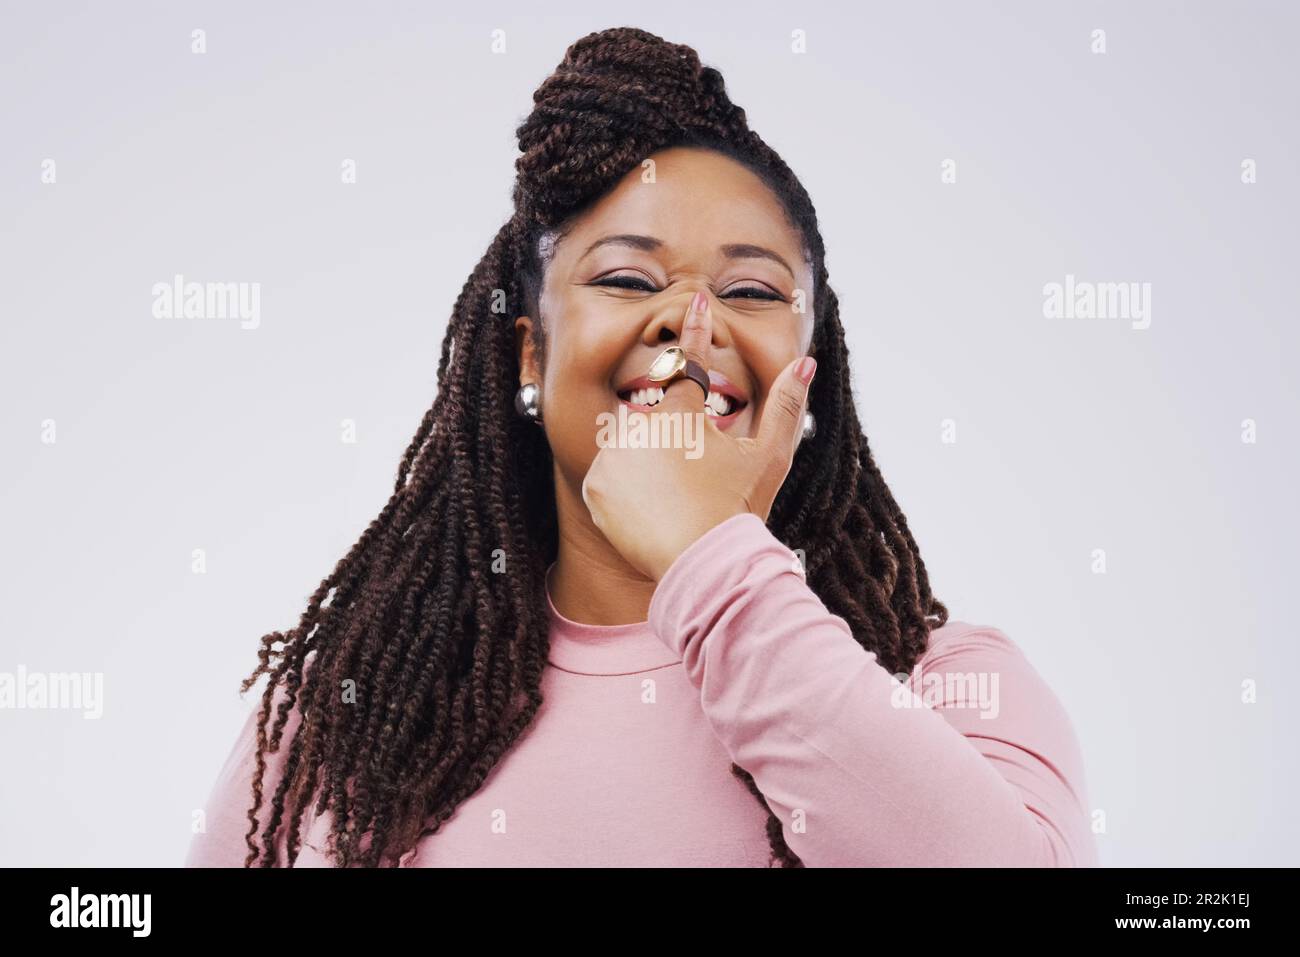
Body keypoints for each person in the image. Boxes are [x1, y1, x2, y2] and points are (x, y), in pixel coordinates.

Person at [185, 26, 1097, 868]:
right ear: (531, 352)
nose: (691, 324)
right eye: (626, 277)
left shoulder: (951, 689)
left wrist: (713, 564)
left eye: (751, 291)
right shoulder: (354, 714)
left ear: (806, 362)